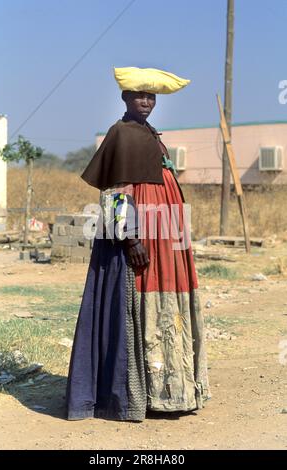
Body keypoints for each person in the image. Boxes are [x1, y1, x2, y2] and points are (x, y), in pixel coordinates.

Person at [66, 67, 210, 422]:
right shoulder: (121, 133)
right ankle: (134, 394)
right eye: (138, 96)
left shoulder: (150, 133)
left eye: (151, 96)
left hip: (167, 237)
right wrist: (131, 238)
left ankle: (170, 391)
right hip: (142, 237)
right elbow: (115, 192)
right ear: (125, 99)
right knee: (133, 306)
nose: (145, 101)